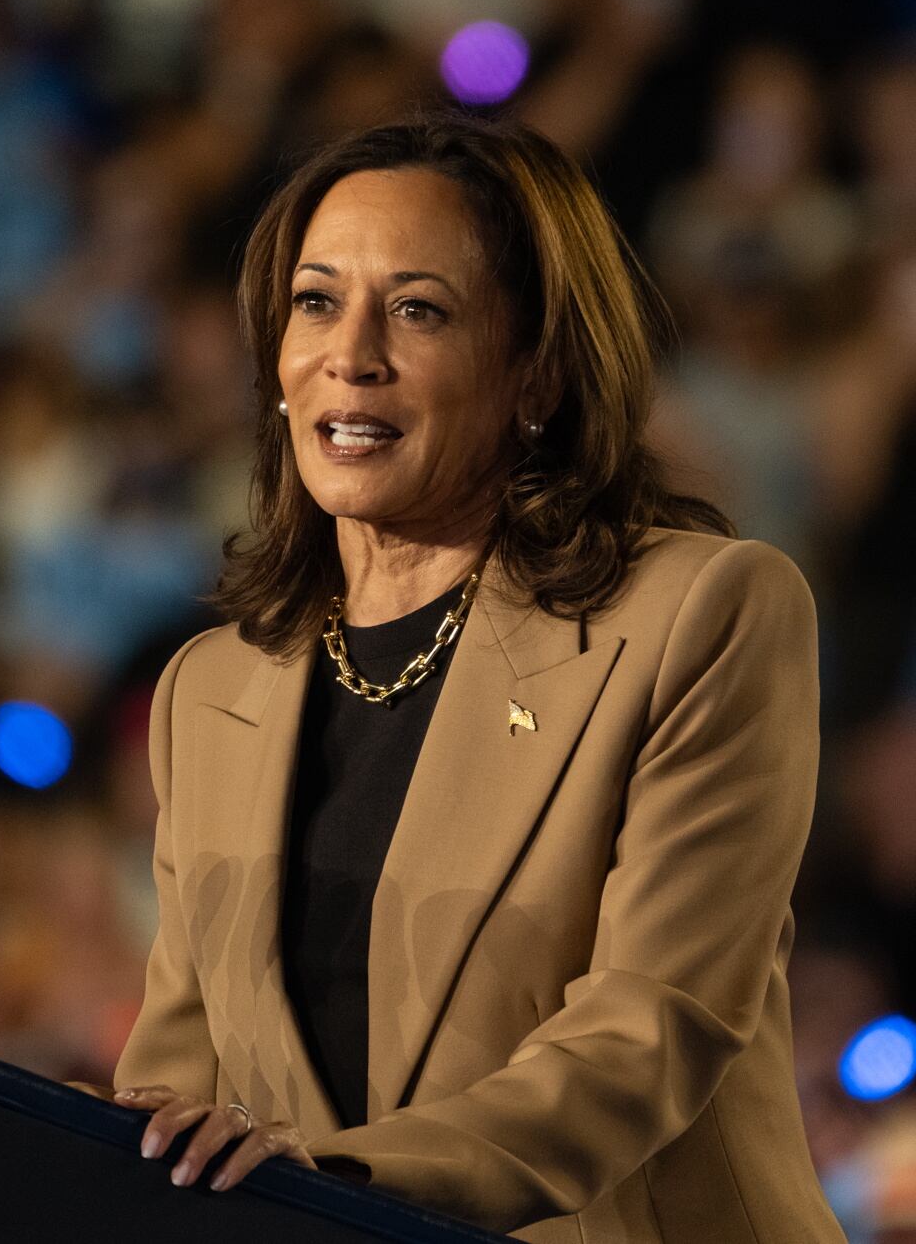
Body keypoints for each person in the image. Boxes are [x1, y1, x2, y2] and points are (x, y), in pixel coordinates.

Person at [89, 109, 844, 1242]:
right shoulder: (211, 689)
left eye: (417, 309)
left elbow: (644, 1034)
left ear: (533, 373)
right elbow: (178, 1086)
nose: (350, 353)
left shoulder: (702, 614)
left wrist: (332, 1175)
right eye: (314, 300)